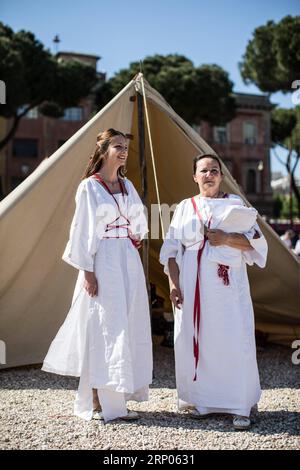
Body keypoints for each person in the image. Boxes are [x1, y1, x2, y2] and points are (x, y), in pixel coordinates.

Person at [42, 129, 153, 423]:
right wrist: (87, 272)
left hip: (127, 259)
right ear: (103, 150)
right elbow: (81, 230)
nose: (124, 151)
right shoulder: (89, 188)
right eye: (118, 146)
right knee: (102, 327)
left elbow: (139, 222)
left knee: (127, 324)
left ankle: (118, 399)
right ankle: (94, 401)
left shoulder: (128, 185)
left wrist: (134, 234)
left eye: (126, 147)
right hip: (102, 259)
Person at [160, 154, 268, 430]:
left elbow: (257, 245)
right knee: (199, 339)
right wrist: (174, 284)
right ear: (194, 177)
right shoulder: (185, 207)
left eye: (214, 170)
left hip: (227, 287)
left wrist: (227, 239)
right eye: (203, 171)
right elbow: (171, 251)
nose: (209, 175)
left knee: (233, 340)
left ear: (222, 176)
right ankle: (204, 402)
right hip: (192, 285)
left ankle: (240, 405)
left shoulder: (236, 205)